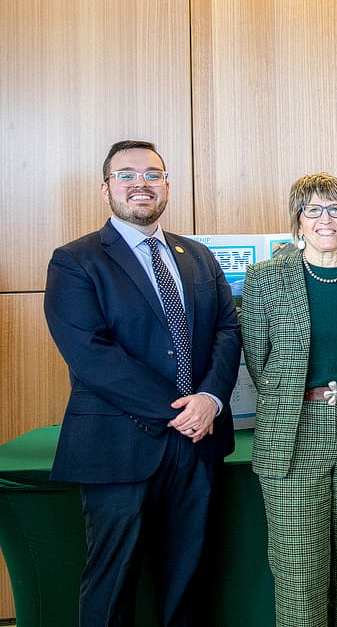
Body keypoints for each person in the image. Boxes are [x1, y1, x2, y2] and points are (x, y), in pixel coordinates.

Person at [43, 140, 241, 627]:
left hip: (197, 445)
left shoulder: (196, 257)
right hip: (118, 446)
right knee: (112, 585)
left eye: (153, 174)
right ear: (106, 188)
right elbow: (91, 354)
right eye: (127, 175)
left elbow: (227, 329)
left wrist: (211, 399)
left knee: (188, 580)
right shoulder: (75, 260)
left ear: (167, 185)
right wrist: (181, 410)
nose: (141, 184)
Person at [241, 173, 337, 627]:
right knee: (298, 573)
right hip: (292, 434)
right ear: (298, 222)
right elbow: (258, 360)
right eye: (313, 209)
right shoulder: (265, 279)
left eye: (336, 209)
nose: (325, 218)